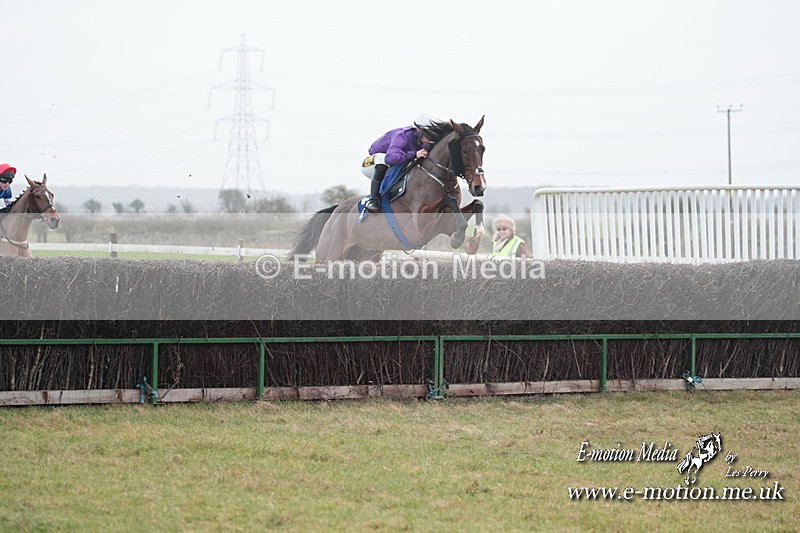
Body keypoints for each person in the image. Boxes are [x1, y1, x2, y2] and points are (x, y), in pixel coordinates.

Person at [361, 112, 439, 212]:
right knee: (382, 159)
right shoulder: (402, 135)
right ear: (418, 130)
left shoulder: (424, 141)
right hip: (372, 162)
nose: (431, 138)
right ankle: (373, 199)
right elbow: (389, 158)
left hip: (395, 164)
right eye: (429, 134)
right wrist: (414, 154)